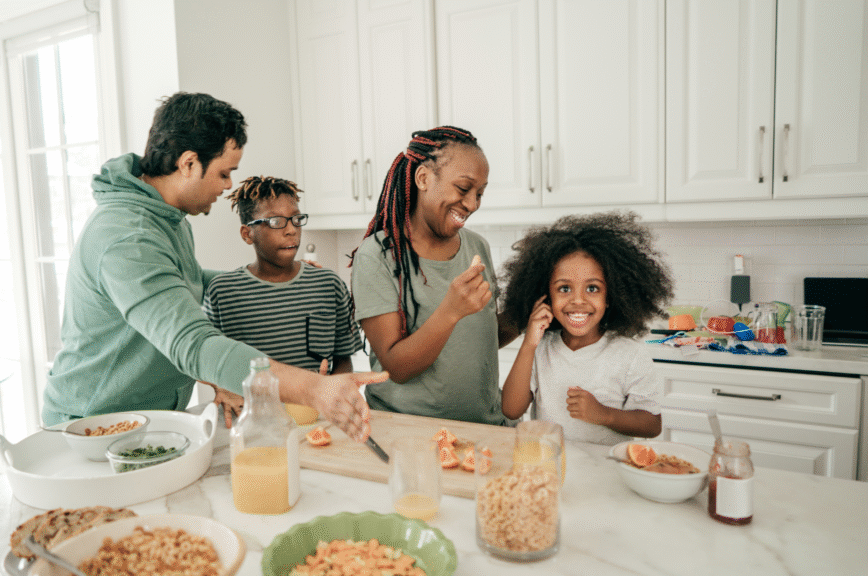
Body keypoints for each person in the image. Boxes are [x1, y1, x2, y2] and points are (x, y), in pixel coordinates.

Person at [42, 92, 385, 441]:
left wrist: (272, 280)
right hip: (90, 427)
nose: (227, 186)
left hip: (144, 420)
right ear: (189, 163)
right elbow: (194, 345)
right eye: (224, 173)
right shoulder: (129, 237)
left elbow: (180, 283)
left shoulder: (165, 219)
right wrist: (314, 390)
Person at [350, 126, 519, 426]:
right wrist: (451, 311)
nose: (472, 204)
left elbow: (480, 339)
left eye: (480, 193)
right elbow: (396, 367)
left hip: (486, 428)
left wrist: (525, 314)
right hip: (409, 433)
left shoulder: (476, 246)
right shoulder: (377, 256)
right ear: (424, 178)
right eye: (463, 189)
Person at [500, 211, 674, 445]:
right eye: (564, 289)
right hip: (551, 466)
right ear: (546, 295)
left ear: (610, 296)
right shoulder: (541, 348)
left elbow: (652, 425)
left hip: (606, 472)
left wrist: (604, 414)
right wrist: (529, 342)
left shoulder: (630, 354)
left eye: (592, 288)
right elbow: (511, 409)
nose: (578, 300)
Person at [201, 176, 362, 425]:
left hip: (317, 418)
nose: (290, 230)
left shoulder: (328, 284)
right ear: (247, 233)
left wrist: (334, 389)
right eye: (275, 221)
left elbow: (343, 358)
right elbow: (205, 356)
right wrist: (221, 388)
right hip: (254, 422)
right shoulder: (222, 292)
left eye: (296, 219)